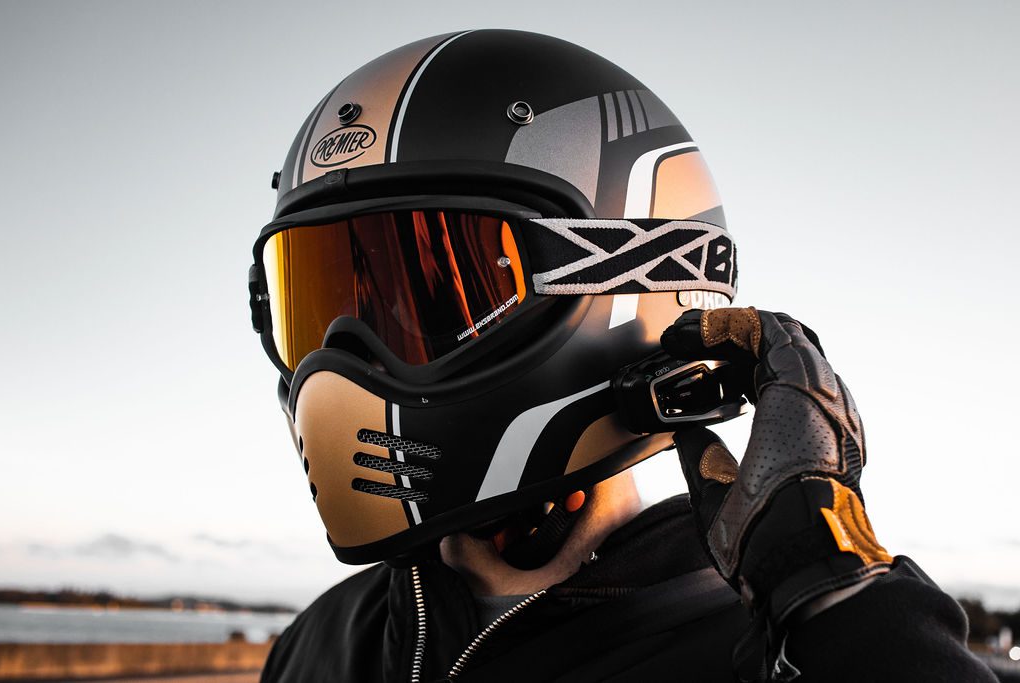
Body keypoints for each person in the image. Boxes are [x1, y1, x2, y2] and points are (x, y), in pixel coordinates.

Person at [248, 30, 997, 682]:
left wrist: (847, 611)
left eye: (435, 295)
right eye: (318, 303)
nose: (341, 363)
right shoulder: (319, 643)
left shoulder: (773, 653)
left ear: (636, 289)